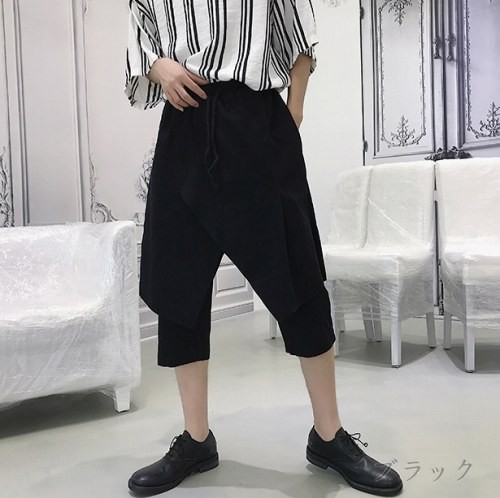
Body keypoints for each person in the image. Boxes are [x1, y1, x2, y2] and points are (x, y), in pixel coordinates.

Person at [125, 1, 403, 496]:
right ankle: (195, 439)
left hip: (256, 118)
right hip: (183, 127)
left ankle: (329, 436)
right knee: (179, 284)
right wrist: (160, 66)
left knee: (298, 273)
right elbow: (141, 41)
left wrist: (291, 114)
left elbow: (300, 34)